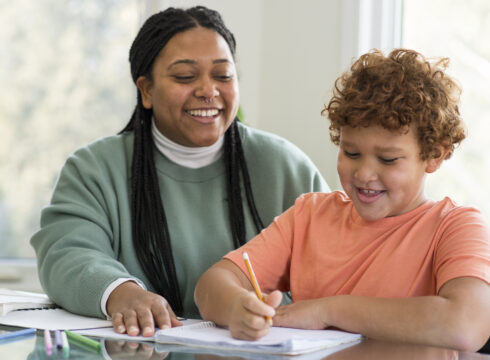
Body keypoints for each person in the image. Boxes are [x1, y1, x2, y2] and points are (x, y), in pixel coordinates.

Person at [30, 6, 328, 338]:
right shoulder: (94, 169)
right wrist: (122, 293)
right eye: (185, 76)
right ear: (146, 90)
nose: (208, 90)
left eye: (223, 75)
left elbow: (341, 259)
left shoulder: (286, 166)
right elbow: (66, 252)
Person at [195, 49, 490, 352]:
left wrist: (328, 311)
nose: (364, 174)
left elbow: (467, 325)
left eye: (387, 159)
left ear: (434, 155)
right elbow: (212, 283)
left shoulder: (456, 226)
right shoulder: (308, 217)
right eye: (351, 153)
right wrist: (236, 306)